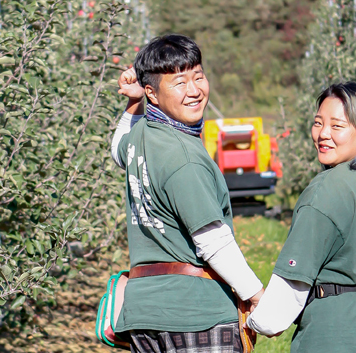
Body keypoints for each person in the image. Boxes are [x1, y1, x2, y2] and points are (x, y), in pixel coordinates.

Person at [110, 34, 264, 353]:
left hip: (144, 313)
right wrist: (256, 295)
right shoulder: (184, 157)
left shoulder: (144, 135)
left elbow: (117, 150)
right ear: (153, 92)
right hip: (194, 315)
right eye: (179, 82)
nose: (194, 90)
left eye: (198, 76)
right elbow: (212, 240)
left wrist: (134, 102)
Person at [245, 82, 356, 353]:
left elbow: (294, 282)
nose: (323, 134)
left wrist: (255, 322)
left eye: (337, 126)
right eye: (318, 123)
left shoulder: (327, 190)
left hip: (340, 335)